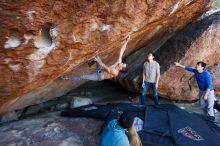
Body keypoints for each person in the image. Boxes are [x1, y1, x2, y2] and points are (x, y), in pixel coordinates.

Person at [61, 35, 130, 81]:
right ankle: (90, 63)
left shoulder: (115, 72)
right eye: (123, 63)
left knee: (83, 76)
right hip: (101, 69)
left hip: (98, 76)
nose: (122, 63)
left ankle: (67, 77)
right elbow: (122, 51)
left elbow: (106, 67)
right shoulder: (119, 63)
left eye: (123, 64)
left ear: (121, 68)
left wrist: (98, 61)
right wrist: (127, 41)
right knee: (96, 56)